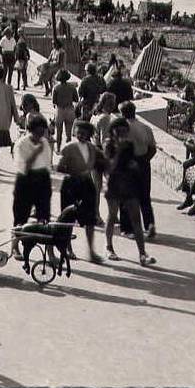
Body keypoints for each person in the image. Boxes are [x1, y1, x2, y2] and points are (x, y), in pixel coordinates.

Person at [102, 117, 155, 266]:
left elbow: (131, 162)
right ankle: (109, 247)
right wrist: (118, 151)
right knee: (112, 217)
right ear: (113, 130)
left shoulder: (129, 145)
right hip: (113, 184)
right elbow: (109, 167)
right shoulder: (108, 144)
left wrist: (134, 167)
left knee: (136, 220)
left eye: (125, 131)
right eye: (120, 131)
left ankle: (142, 254)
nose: (123, 134)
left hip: (128, 184)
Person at [57, 120, 105, 263]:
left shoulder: (93, 149)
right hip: (71, 184)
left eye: (84, 133)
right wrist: (74, 170)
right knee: (68, 218)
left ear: (89, 135)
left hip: (86, 184)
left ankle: (91, 251)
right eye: (79, 132)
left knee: (90, 219)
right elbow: (59, 167)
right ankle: (68, 248)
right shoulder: (69, 148)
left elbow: (101, 163)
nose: (81, 136)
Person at [11, 114, 53, 254]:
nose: (40, 135)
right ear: (31, 130)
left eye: (43, 132)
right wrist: (35, 152)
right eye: (38, 132)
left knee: (45, 218)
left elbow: (47, 165)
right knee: (20, 217)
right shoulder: (21, 144)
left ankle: (49, 252)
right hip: (25, 181)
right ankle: (15, 247)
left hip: (42, 180)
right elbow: (24, 168)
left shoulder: (44, 142)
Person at [120, 101, 157, 240]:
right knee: (144, 197)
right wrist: (144, 160)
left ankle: (127, 228)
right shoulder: (146, 128)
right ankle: (149, 225)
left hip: (127, 163)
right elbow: (153, 149)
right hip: (143, 163)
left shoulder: (122, 128)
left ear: (123, 113)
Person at [51, 69, 78, 150]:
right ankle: (68, 149)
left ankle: (58, 148)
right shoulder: (72, 87)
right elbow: (76, 99)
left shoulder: (56, 88)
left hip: (60, 110)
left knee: (59, 132)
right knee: (68, 133)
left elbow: (54, 101)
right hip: (70, 109)